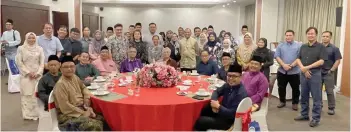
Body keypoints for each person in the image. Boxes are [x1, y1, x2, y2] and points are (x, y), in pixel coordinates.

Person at [53, 56, 108, 131]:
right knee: (94, 125)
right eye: (66, 67)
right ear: (61, 69)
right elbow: (65, 107)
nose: (69, 69)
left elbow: (83, 87)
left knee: (105, 119)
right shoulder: (60, 84)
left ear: (75, 67)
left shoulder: (74, 77)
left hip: (81, 108)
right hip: (67, 115)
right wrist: (83, 113)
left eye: (71, 66)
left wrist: (86, 98)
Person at [194, 64, 248, 131]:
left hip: (228, 121)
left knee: (200, 121)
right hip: (221, 113)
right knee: (206, 107)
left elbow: (233, 114)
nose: (231, 78)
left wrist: (219, 107)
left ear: (240, 77)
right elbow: (216, 91)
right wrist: (215, 101)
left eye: (234, 76)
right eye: (229, 75)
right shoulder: (228, 85)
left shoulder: (240, 93)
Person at [294, 27, 327, 127]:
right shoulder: (303, 46)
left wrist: (307, 68)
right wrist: (303, 68)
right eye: (308, 33)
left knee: (316, 97)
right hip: (303, 73)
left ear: (316, 35)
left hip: (315, 74)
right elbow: (298, 59)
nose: (310, 35)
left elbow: (321, 61)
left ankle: (315, 118)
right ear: (306, 35)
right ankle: (304, 114)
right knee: (303, 95)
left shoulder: (321, 47)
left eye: (312, 33)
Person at [16, 32, 45, 120]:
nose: (31, 40)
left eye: (33, 38)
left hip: (37, 75)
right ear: (26, 39)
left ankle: (38, 113)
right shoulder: (21, 48)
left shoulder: (40, 49)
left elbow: (42, 62)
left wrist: (38, 73)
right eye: (29, 38)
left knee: (37, 94)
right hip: (26, 76)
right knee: (27, 94)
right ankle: (28, 114)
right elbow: (19, 62)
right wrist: (28, 72)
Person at [274, 30, 302, 110]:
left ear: (293, 36)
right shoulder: (281, 45)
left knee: (296, 88)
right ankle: (282, 101)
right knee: (281, 87)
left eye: (290, 35)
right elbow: (277, 56)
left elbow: (299, 57)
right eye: (287, 35)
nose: (288, 37)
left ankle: (295, 103)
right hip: (282, 71)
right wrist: (283, 65)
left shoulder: (299, 45)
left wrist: (291, 65)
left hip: (295, 71)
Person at [321, 31, 342, 115]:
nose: (325, 38)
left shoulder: (334, 48)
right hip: (318, 72)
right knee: (317, 91)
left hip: (328, 72)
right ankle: (319, 106)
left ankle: (331, 108)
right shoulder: (319, 47)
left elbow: (338, 60)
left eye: (327, 36)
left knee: (329, 91)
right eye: (323, 36)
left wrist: (332, 70)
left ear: (330, 38)